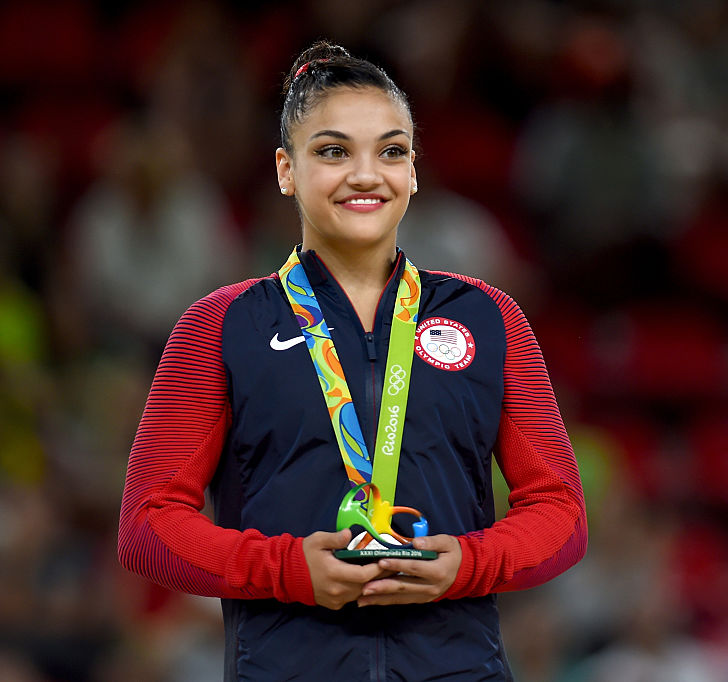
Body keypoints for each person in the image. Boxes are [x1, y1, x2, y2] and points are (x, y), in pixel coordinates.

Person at [117, 40, 587, 680]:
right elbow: (147, 527)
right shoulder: (219, 326)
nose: (366, 175)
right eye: (333, 151)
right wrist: (289, 570)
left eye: (391, 151)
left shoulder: (489, 317)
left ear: (414, 171)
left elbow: (560, 511)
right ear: (286, 170)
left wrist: (467, 564)